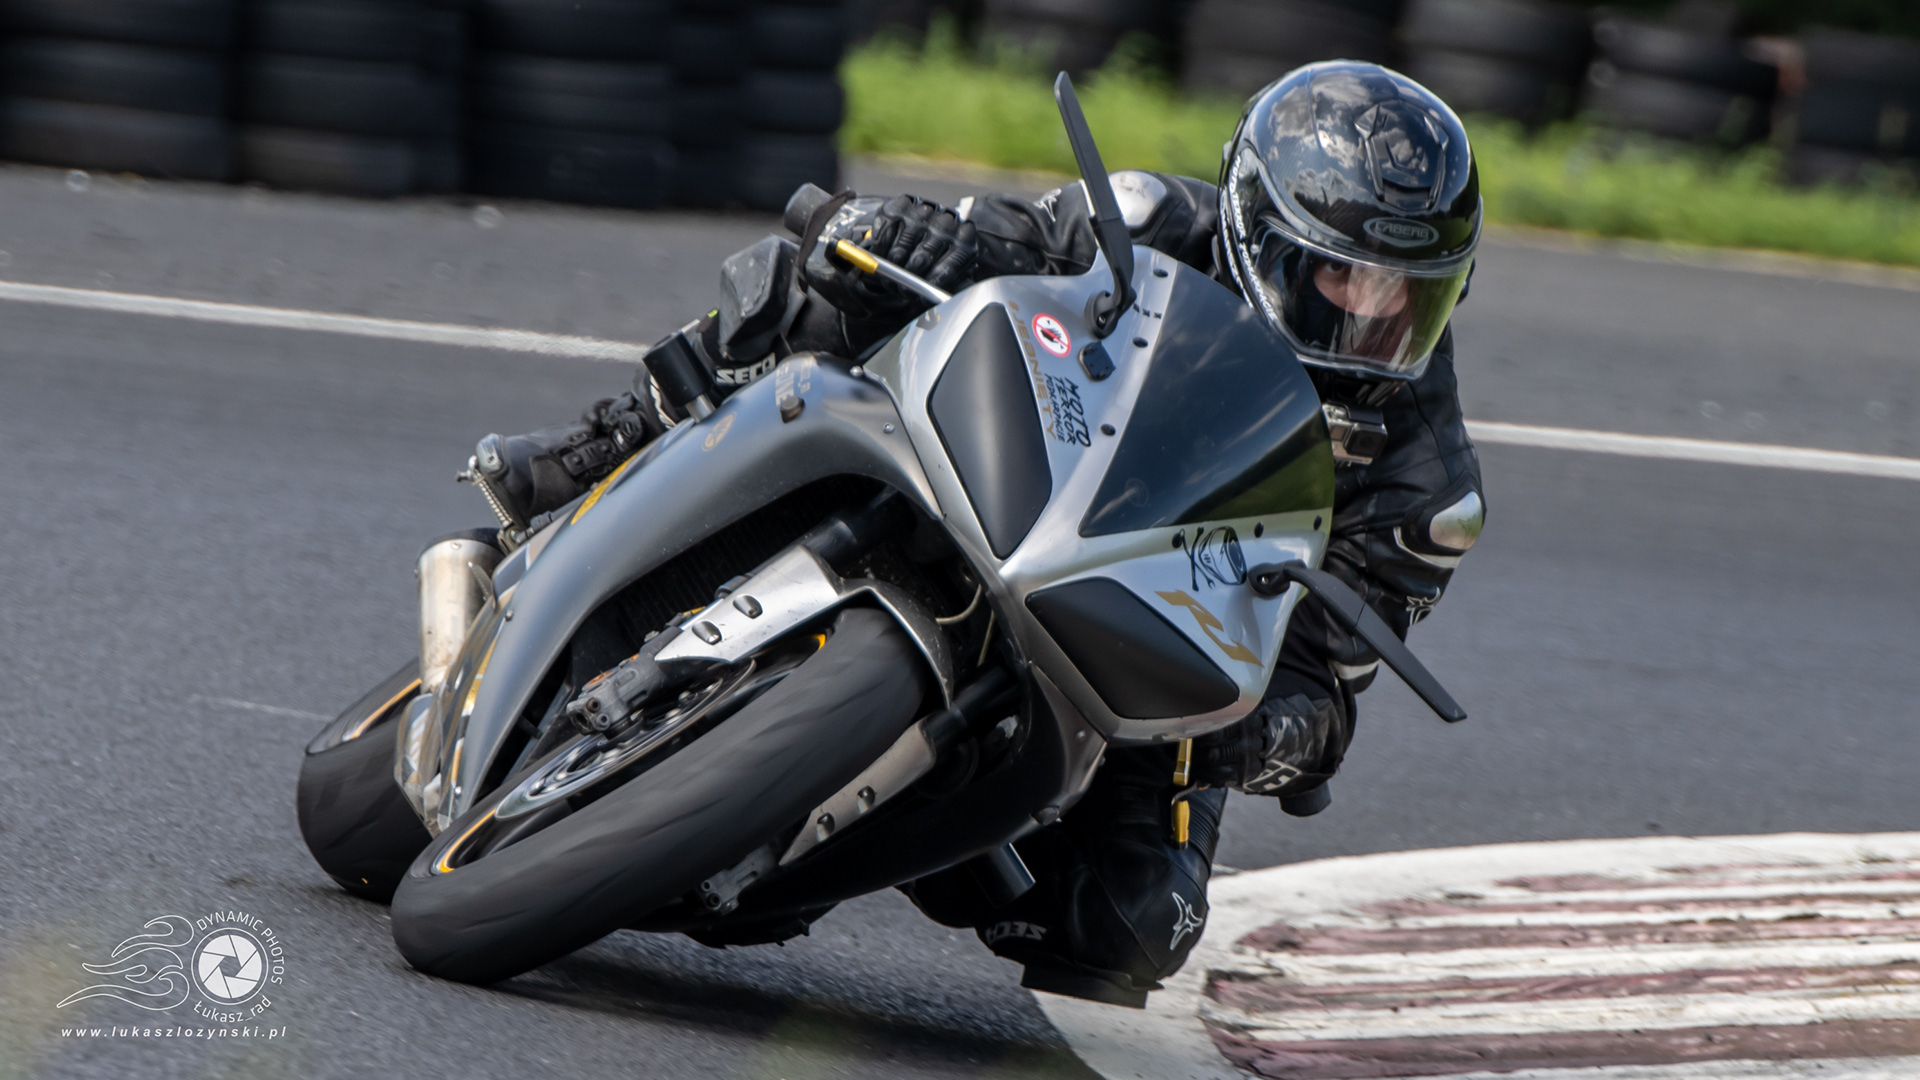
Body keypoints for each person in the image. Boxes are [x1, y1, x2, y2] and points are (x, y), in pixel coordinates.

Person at [461, 60, 1485, 1008]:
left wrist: (1269, 738)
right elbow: (983, 240)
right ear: (1253, 229)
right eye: (1337, 277)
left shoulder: (1425, 489)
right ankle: (614, 437)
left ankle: (887, 822)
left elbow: (1324, 684)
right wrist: (893, 231)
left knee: (1130, 929)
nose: (1370, 316)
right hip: (1009, 458)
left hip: (1145, 631)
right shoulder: (1145, 220)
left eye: (1407, 294)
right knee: (844, 277)